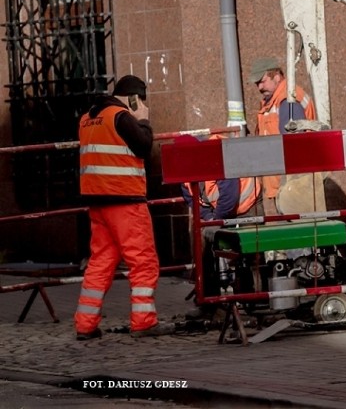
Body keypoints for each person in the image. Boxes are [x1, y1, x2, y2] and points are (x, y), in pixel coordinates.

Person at [75, 75, 174, 339]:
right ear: (134, 99)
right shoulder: (120, 116)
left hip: (97, 203)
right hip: (125, 202)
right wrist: (143, 119)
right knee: (143, 261)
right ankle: (143, 321)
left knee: (101, 262)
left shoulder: (87, 118)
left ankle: (85, 324)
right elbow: (143, 146)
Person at [181, 137, 261, 301]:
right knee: (204, 246)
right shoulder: (183, 172)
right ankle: (209, 298)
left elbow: (229, 197)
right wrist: (210, 219)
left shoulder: (216, 160)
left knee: (249, 248)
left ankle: (252, 295)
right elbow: (193, 201)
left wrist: (215, 221)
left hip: (247, 203)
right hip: (219, 210)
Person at [249, 57, 318, 216]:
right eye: (257, 83)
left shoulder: (288, 100)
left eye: (262, 81)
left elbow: (293, 146)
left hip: (291, 185)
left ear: (277, 76)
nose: (259, 87)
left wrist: (290, 184)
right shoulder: (274, 102)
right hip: (284, 184)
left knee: (299, 233)